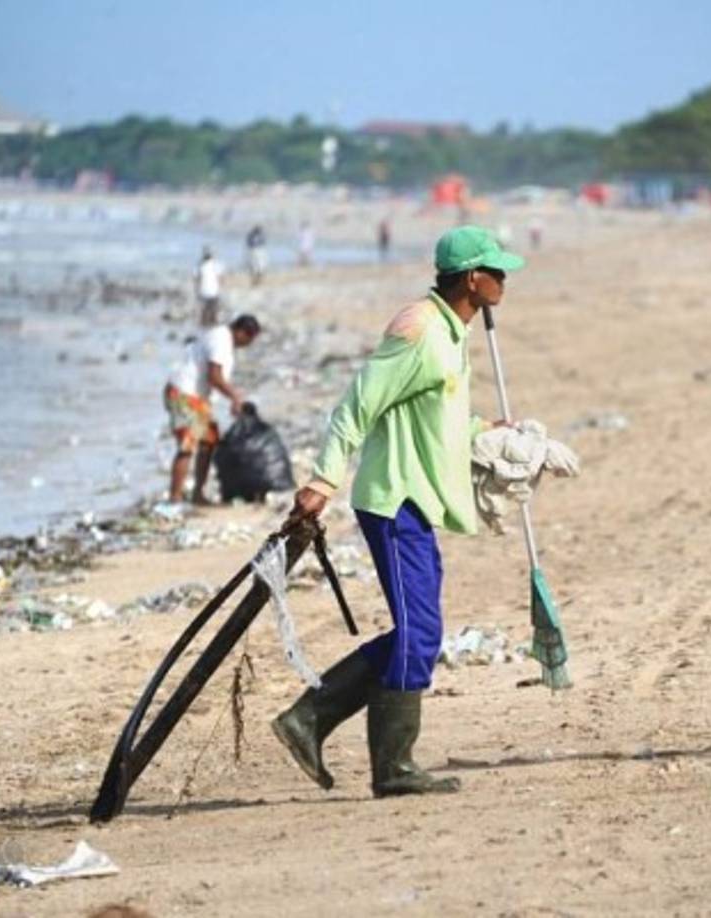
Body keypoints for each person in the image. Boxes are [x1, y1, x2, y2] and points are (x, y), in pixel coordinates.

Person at [273, 225, 524, 797]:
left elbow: (439, 418)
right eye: (497, 272)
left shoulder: (451, 332)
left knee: (421, 631)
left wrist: (488, 432)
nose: (504, 282)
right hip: (393, 500)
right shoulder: (418, 332)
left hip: (418, 499)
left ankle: (313, 721)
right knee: (420, 630)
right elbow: (357, 405)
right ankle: (384, 762)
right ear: (471, 279)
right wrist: (322, 478)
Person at [164, 314, 262, 504]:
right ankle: (174, 498)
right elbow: (214, 376)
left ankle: (198, 494)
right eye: (249, 339)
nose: (248, 344)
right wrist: (235, 397)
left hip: (198, 397)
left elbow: (214, 380)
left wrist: (232, 401)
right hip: (183, 393)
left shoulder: (224, 340)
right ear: (242, 332)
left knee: (209, 442)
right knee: (187, 446)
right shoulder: (221, 340)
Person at [193, 246, 225, 327]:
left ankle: (204, 325)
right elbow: (220, 278)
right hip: (214, 291)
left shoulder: (200, 265)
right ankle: (213, 324)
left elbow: (197, 279)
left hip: (204, 291)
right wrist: (221, 288)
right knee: (214, 310)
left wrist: (197, 290)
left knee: (205, 310)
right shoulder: (216, 264)